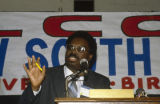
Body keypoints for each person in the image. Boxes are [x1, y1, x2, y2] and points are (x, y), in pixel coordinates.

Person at [19, 31, 111, 104]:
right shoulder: (46, 76)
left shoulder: (100, 82)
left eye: (80, 49)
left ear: (90, 56)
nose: (73, 52)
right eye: (70, 47)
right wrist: (34, 88)